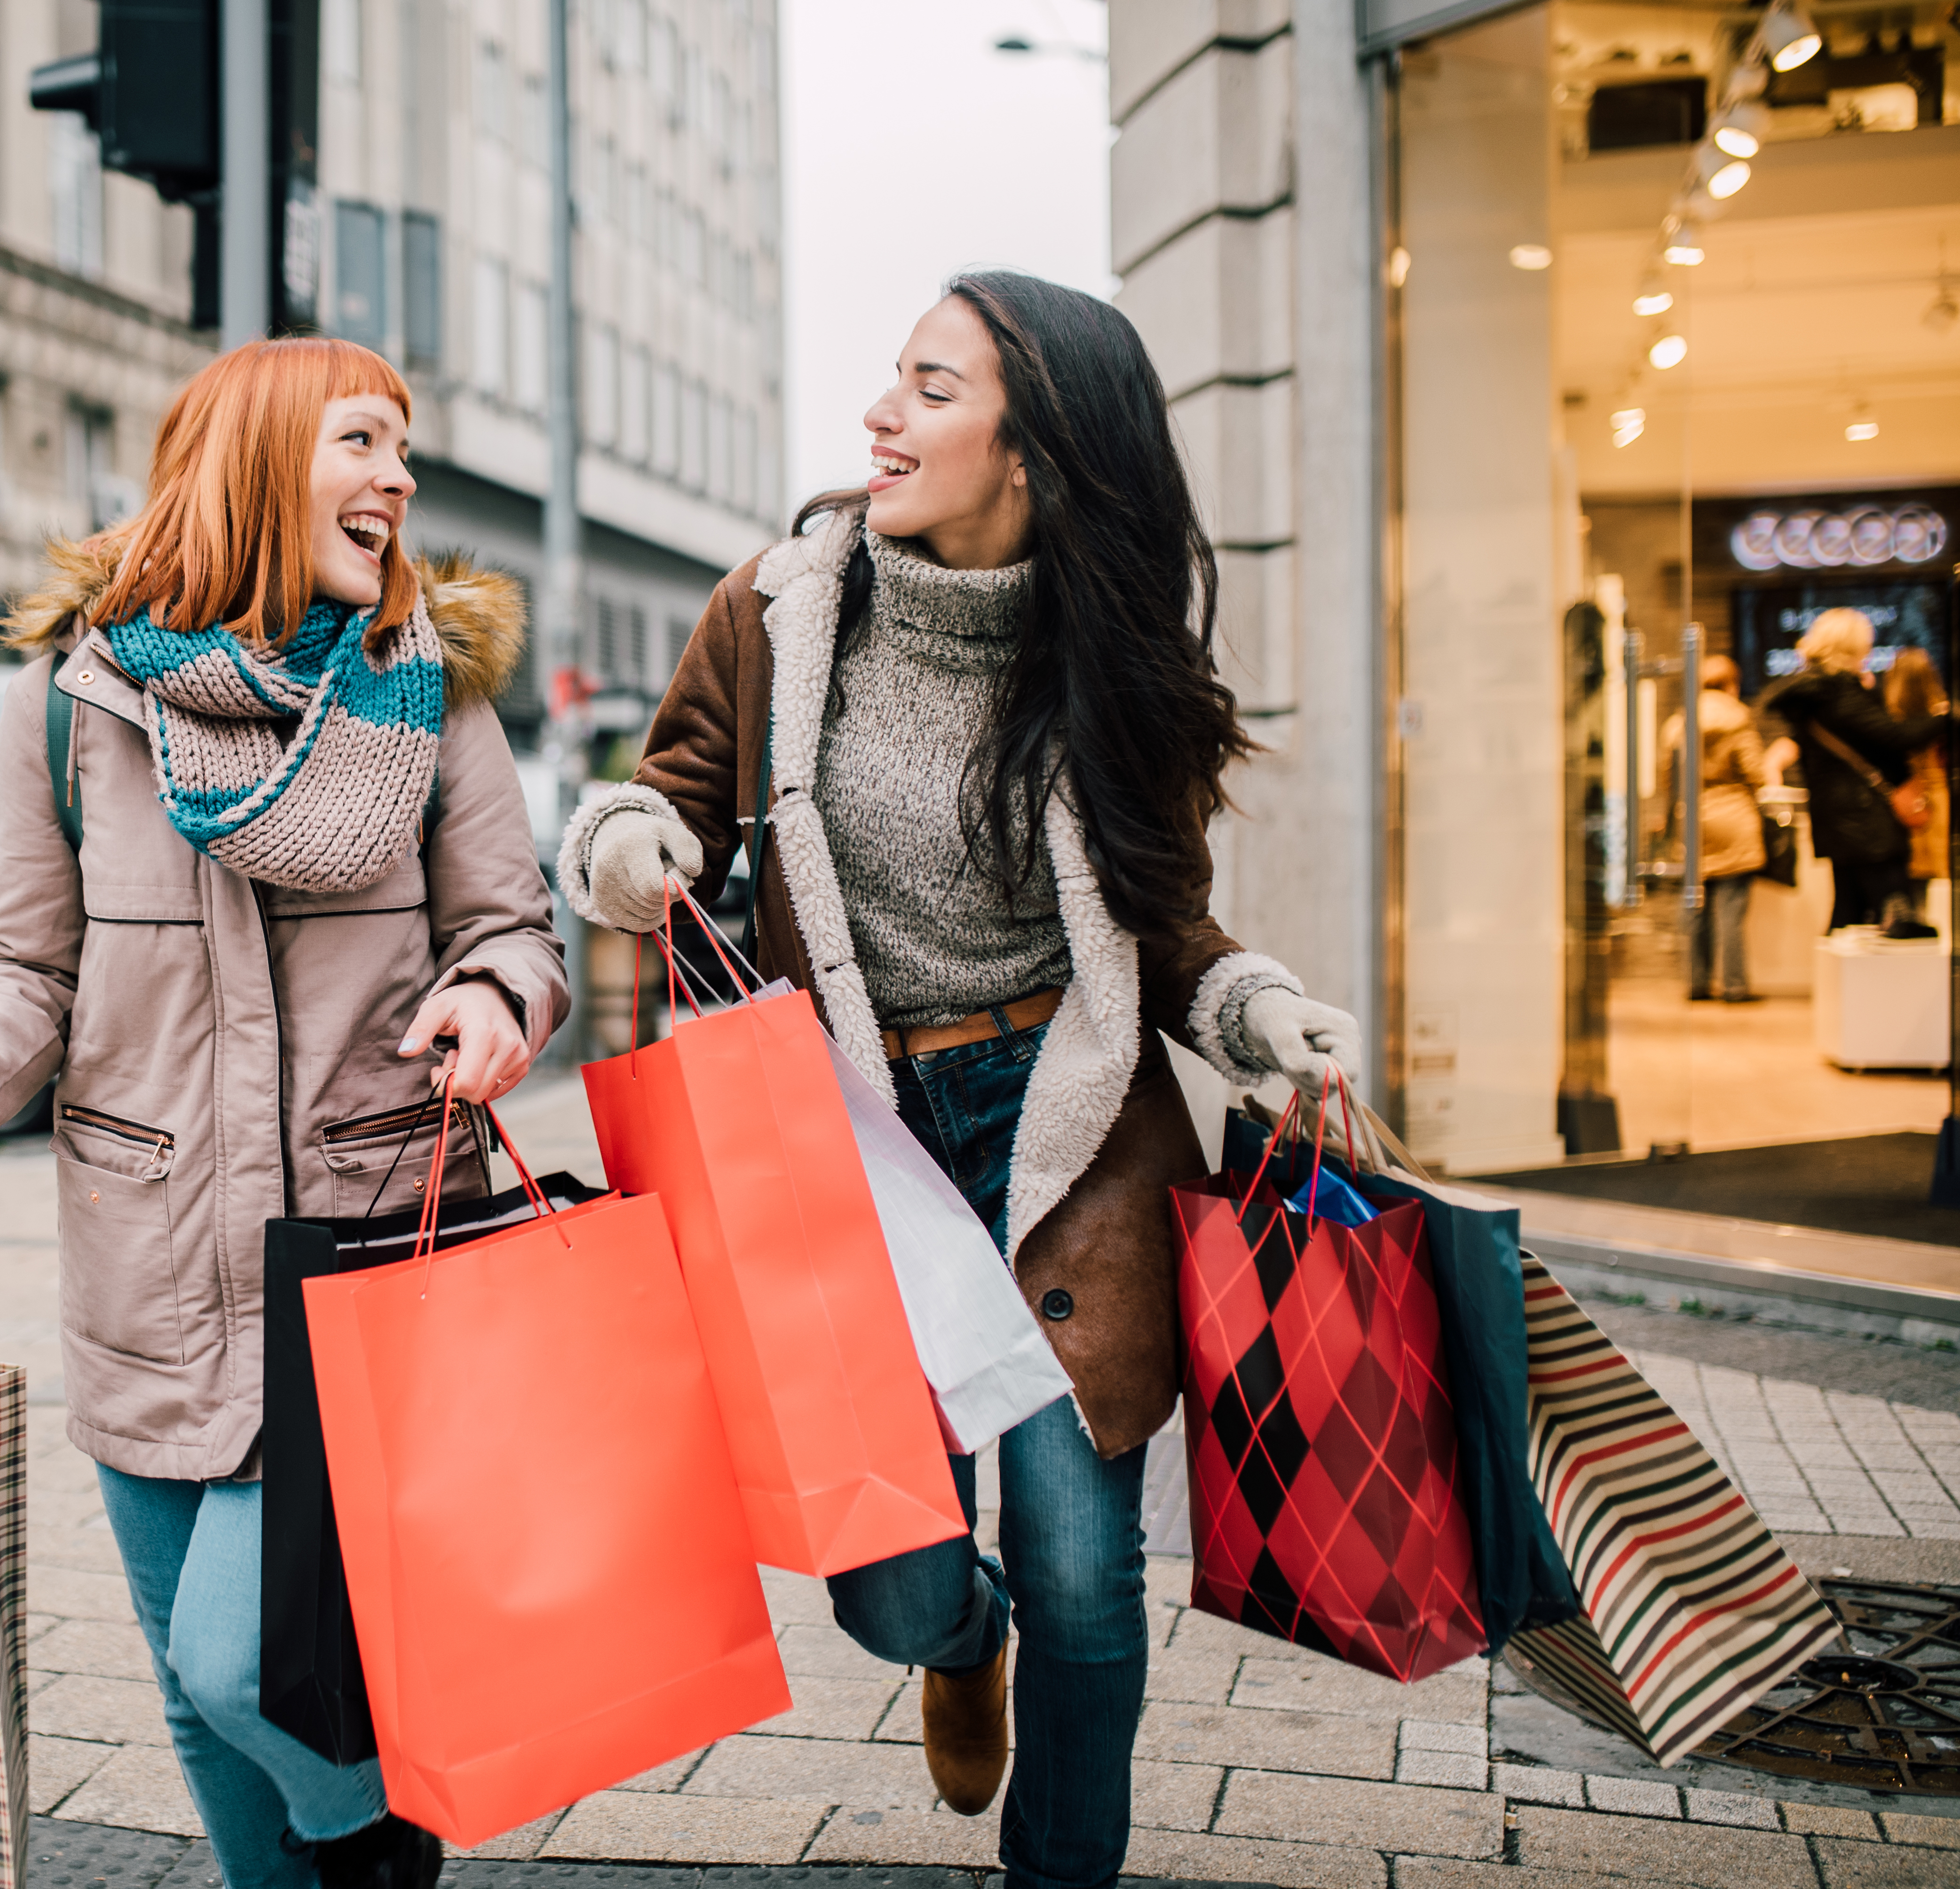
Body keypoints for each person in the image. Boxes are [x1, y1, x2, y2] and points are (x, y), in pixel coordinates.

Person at [559, 272, 1363, 1889]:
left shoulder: (1108, 658)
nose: (880, 414)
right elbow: (665, 800)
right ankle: (954, 1635)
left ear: (1033, 449)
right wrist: (632, 845)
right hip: (846, 1139)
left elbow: (1165, 928)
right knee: (885, 1574)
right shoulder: (778, 607)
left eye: (930, 387)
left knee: (1081, 1574)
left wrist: (1268, 1015)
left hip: (1067, 1140)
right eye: (892, 380)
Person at [0, 336, 566, 1889]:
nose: (400, 479)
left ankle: (382, 1828)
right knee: (193, 1686)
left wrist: (495, 1001)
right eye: (365, 442)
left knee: (244, 1665)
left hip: (365, 1264)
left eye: (401, 447)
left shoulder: (429, 692)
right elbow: (27, 966)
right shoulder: (72, 699)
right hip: (147, 1267)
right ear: (257, 459)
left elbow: (510, 929)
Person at [1766, 608, 1944, 936]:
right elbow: (1895, 737)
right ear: (1852, 647)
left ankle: (1840, 988)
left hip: (1842, 818)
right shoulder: (1837, 693)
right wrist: (1946, 717)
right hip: (1866, 821)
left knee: (1849, 914)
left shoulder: (1816, 694)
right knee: (1893, 916)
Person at [1661, 654, 1770, 1001]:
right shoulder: (1739, 719)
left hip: (1693, 822)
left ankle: (1696, 983)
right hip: (1733, 818)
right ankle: (1735, 986)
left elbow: (1668, 779)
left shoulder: (1678, 723)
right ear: (1732, 684)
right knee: (1731, 911)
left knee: (1694, 906)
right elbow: (1756, 773)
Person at [1885, 646, 1950, 894]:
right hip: (1938, 799)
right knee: (1941, 881)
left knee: (1907, 883)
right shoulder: (1944, 717)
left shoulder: (1887, 722)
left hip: (1902, 800)